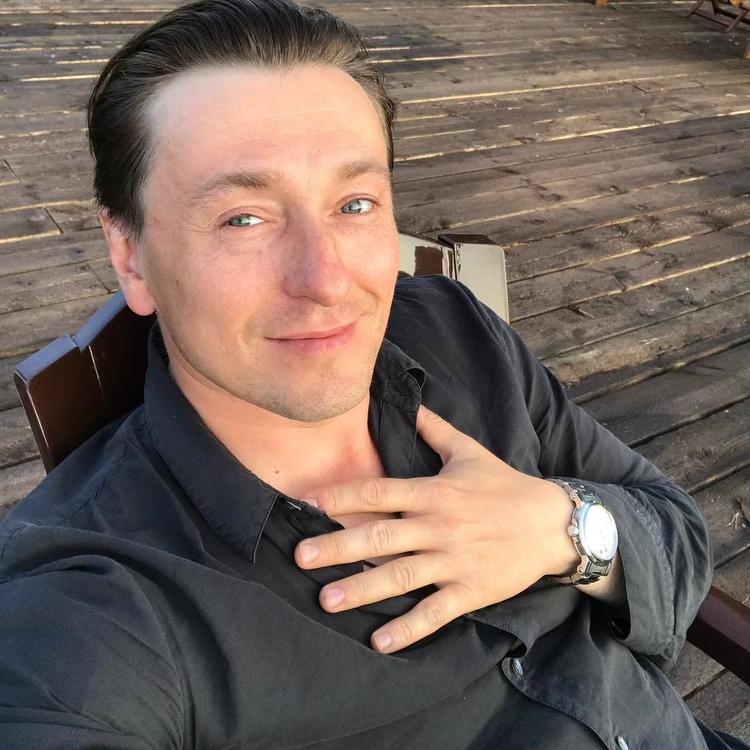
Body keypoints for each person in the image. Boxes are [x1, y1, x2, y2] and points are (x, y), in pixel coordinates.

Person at [0, 1, 745, 748]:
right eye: (243, 218)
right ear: (129, 254)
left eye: (354, 204)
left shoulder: (458, 333)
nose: (326, 280)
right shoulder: (96, 610)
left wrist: (565, 530)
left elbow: (677, 535)